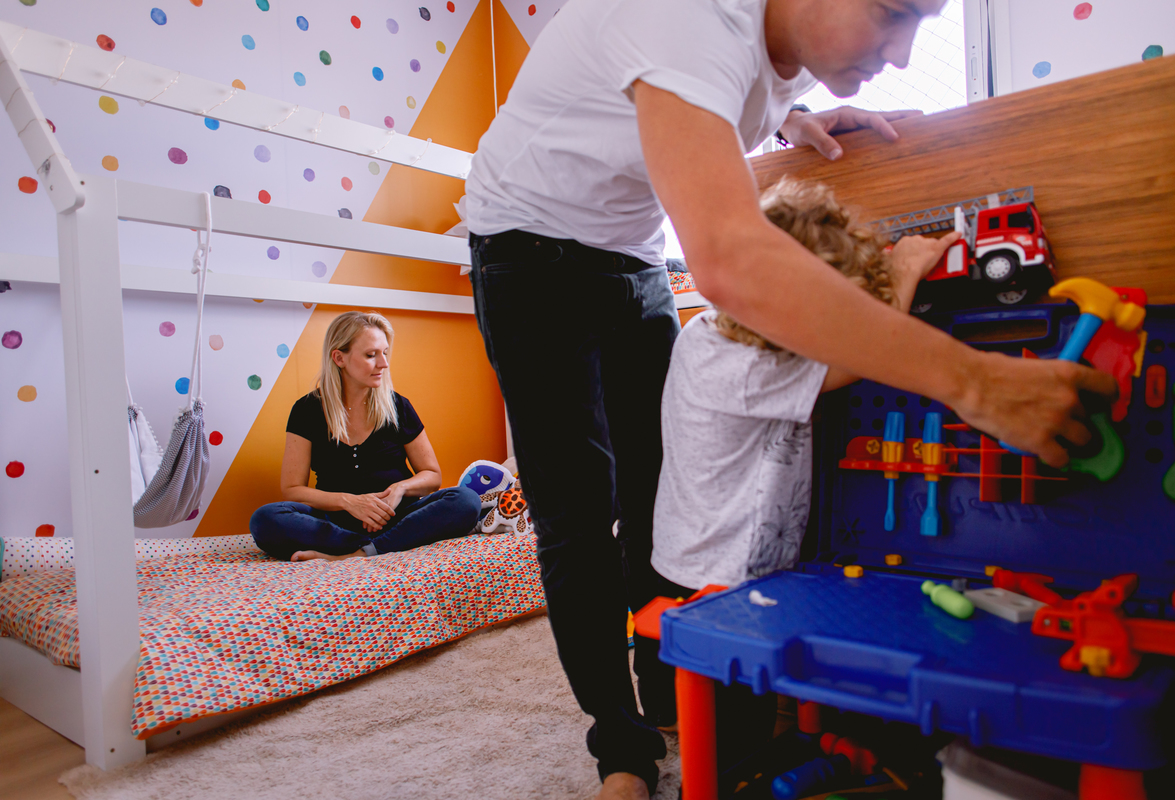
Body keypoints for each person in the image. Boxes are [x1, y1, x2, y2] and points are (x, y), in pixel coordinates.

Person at [464, 1, 1116, 796]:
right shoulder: (687, 16)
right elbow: (730, 259)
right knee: (578, 514)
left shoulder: (777, 47)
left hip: (629, 253)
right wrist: (976, 381)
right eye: (892, 12)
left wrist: (790, 115)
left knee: (652, 488)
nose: (902, 54)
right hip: (528, 249)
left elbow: (702, 94)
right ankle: (621, 745)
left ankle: (671, 688)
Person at [651, 178, 953, 768]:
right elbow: (871, 351)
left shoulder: (713, 333)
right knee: (736, 724)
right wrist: (906, 270)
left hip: (706, 549)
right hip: (720, 569)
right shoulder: (748, 366)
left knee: (743, 700)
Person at [250, 311, 481, 562]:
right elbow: (292, 489)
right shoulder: (307, 410)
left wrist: (399, 489)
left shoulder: (398, 406)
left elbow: (432, 476)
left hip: (398, 518)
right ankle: (372, 546)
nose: (383, 363)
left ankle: (356, 553)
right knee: (265, 519)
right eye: (371, 355)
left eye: (385, 353)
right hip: (335, 524)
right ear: (339, 358)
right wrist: (349, 502)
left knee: (465, 500)